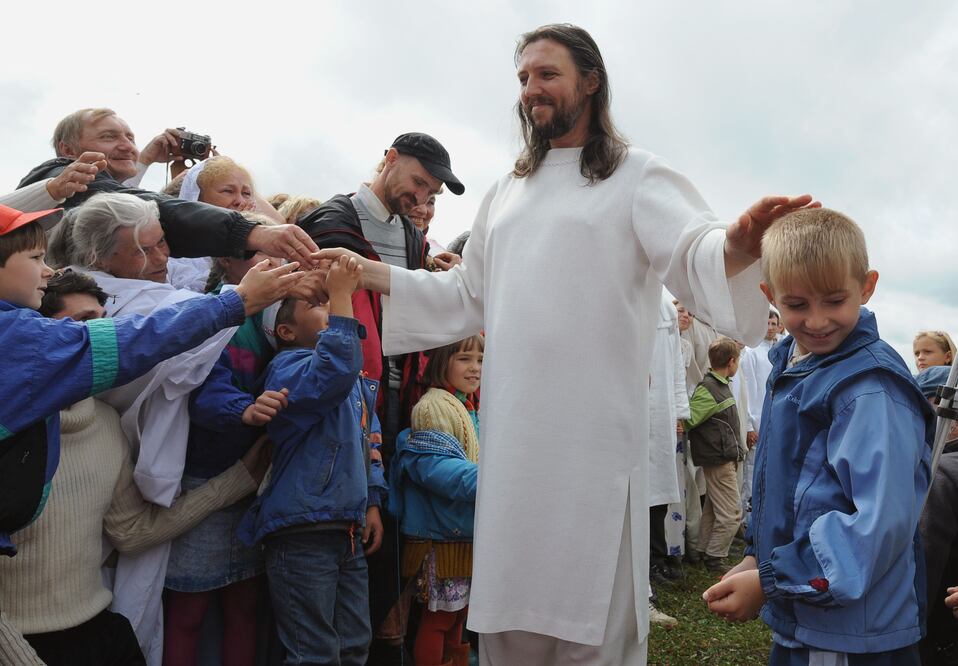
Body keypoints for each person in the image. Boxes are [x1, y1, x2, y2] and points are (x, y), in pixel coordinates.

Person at [318, 23, 813, 664]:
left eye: (547, 74)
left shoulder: (637, 175)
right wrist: (370, 273)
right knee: (510, 616)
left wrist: (739, 245)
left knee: (592, 623)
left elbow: (695, 249)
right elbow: (467, 292)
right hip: (515, 445)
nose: (531, 89)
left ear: (591, 81)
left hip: (593, 446)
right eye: (524, 77)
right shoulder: (506, 191)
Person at [0, 203, 302, 664]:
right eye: (35, 258)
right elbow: (132, 342)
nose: (48, 270)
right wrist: (235, 302)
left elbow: (133, 530)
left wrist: (238, 479)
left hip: (95, 629)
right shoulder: (17, 342)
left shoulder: (104, 428)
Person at [703, 208, 934, 665]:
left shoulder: (869, 389)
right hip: (809, 613)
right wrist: (756, 557)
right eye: (796, 305)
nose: (817, 321)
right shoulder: (793, 365)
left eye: (834, 300)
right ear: (770, 296)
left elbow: (877, 524)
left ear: (866, 286)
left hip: (853, 632)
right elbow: (783, 485)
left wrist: (770, 580)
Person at [298, 131, 465, 661]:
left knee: (385, 537)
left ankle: (378, 646)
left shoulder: (413, 238)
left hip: (397, 400)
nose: (421, 197)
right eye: (418, 182)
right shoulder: (332, 221)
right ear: (389, 159)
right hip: (342, 401)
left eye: (431, 191)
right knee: (344, 544)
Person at [238, 256, 387, 666]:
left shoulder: (350, 378)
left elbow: (368, 441)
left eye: (330, 301)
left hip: (346, 527)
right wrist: (341, 294)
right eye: (318, 303)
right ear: (285, 331)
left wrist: (372, 499)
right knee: (313, 651)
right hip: (302, 531)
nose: (332, 306)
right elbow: (334, 368)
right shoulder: (286, 370)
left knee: (354, 644)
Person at [162, 248, 283, 666]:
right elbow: (199, 385)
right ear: (226, 262)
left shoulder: (285, 314)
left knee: (244, 606)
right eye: (259, 253)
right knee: (188, 608)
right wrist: (243, 410)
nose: (273, 263)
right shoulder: (211, 312)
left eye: (280, 254)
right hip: (205, 480)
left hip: (257, 484)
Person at [17, 108, 319, 266]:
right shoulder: (60, 175)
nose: (126, 146)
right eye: (109, 137)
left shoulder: (103, 185)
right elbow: (136, 207)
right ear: (68, 150)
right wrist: (250, 232)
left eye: (131, 138)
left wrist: (146, 158)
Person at [389, 336, 483, 666]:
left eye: (480, 360)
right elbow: (438, 471)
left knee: (458, 618)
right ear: (442, 361)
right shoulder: (433, 407)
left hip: (459, 533)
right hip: (441, 536)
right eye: (464, 359)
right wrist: (493, 481)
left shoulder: (466, 406)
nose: (475, 368)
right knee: (439, 620)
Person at [684, 337, 744, 573]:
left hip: (721, 457)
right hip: (718, 459)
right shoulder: (709, 389)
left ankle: (702, 551)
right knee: (732, 513)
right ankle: (715, 557)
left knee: (712, 509)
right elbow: (689, 419)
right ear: (731, 362)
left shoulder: (718, 385)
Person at [738, 310, 781, 528]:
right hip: (757, 420)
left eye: (774, 323)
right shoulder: (751, 352)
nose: (770, 327)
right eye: (767, 323)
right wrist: (748, 425)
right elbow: (746, 390)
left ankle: (765, 520)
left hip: (777, 420)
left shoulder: (782, 351)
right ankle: (747, 523)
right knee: (751, 472)